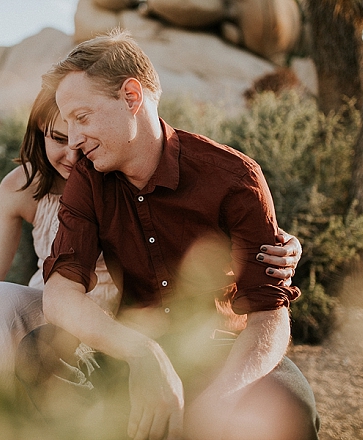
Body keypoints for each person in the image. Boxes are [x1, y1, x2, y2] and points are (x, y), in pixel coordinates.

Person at [0, 85, 302, 403]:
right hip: (53, 306)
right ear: (38, 135)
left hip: (118, 318)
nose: (73, 150)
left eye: (80, 132)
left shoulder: (119, 173)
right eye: (58, 138)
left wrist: (285, 242)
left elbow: (180, 220)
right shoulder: (20, 188)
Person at [38, 29, 319, 440]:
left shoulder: (234, 178)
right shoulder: (89, 178)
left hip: (225, 349)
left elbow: (269, 314)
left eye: (82, 117)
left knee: (291, 407)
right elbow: (60, 294)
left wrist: (223, 397)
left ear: (131, 97)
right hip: (132, 344)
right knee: (39, 355)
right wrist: (141, 352)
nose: (75, 140)